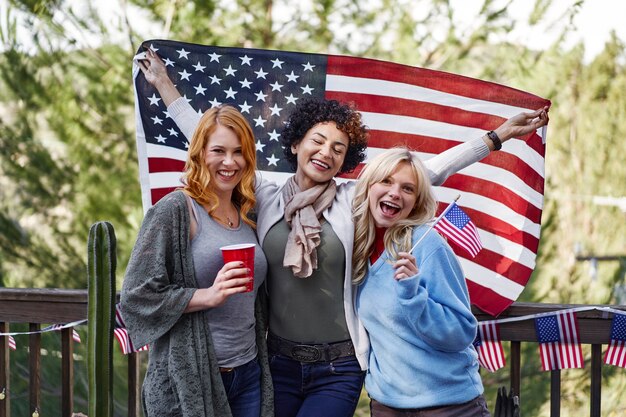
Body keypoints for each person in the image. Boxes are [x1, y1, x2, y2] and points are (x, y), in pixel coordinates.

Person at [138, 48, 548, 417]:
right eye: (318, 141)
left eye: (338, 148)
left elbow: (423, 172)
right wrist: (165, 87)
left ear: (346, 159)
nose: (326, 152)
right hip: (276, 362)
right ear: (297, 144)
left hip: (339, 366)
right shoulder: (266, 192)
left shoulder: (354, 200)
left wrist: (498, 137)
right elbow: (215, 141)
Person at [120, 105, 273, 417]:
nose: (229, 162)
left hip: (248, 372)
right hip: (193, 375)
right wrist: (206, 296)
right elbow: (135, 297)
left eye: (238, 152)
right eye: (218, 150)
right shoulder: (175, 210)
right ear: (200, 153)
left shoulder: (250, 213)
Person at [352, 147, 490, 417]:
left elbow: (462, 332)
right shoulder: (356, 247)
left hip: (449, 405)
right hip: (387, 405)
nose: (395, 193)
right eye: (387, 181)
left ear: (416, 201)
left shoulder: (427, 245)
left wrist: (413, 295)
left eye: (407, 188)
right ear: (369, 186)